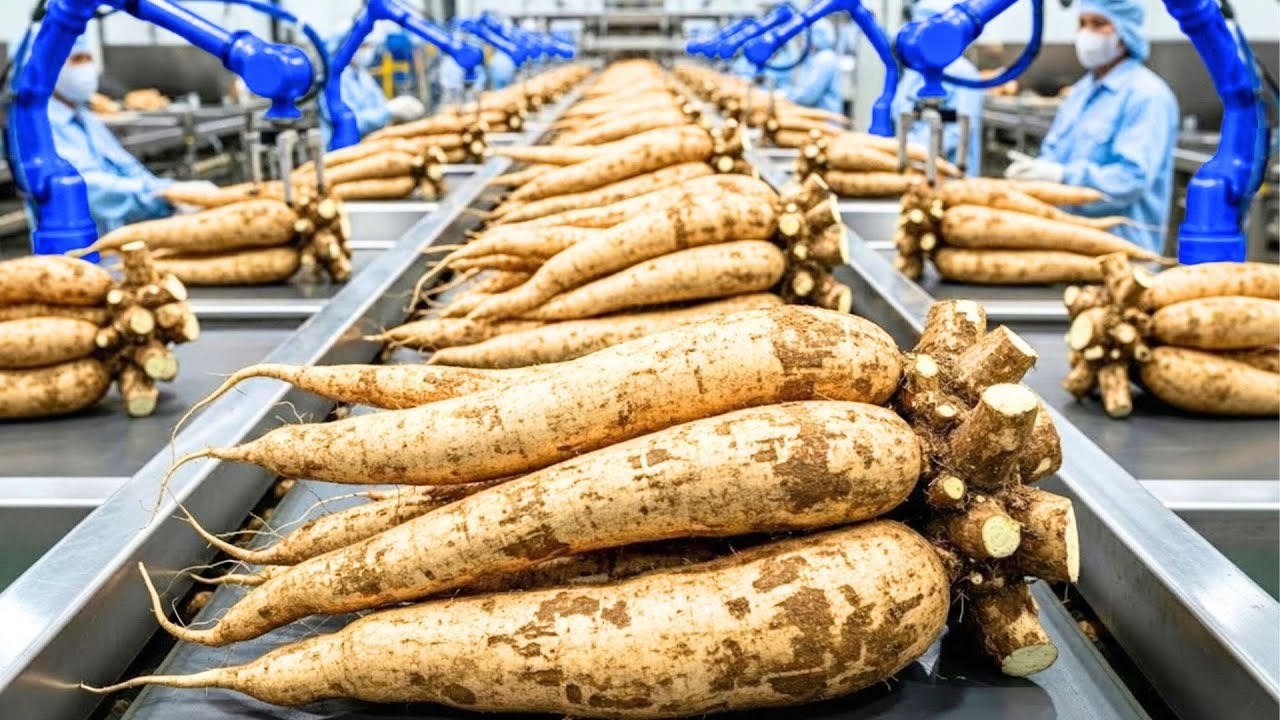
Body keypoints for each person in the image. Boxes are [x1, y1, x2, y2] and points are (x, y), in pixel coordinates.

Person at [1005, 0, 1178, 252]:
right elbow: (1052, 155)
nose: (1087, 33)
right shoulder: (1081, 92)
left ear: (1124, 30)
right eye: (1082, 23)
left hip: (1121, 254)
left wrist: (1062, 177)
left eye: (1099, 24)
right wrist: (1034, 176)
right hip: (1065, 250)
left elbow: (1130, 180)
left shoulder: (1147, 97)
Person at [34, 34, 211, 235]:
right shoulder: (35, 124)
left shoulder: (85, 117)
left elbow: (128, 168)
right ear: (49, 67)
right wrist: (163, 196)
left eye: (88, 58)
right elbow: (87, 189)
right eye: (76, 60)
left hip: (114, 247)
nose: (85, 68)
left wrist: (171, 191)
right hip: (72, 252)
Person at [892, 0, 985, 174]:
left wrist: (907, 149)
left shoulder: (964, 74)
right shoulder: (915, 70)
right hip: (910, 171)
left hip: (951, 176)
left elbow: (957, 134)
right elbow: (898, 111)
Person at [322, 26, 391, 144]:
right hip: (339, 150)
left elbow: (379, 103)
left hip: (367, 144)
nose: (367, 51)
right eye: (363, 46)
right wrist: (389, 111)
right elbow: (351, 121)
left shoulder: (362, 75)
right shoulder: (334, 78)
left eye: (369, 46)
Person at [785, 18, 842, 115]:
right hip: (813, 118)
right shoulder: (811, 58)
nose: (801, 40)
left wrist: (785, 95)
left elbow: (809, 95)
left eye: (803, 36)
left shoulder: (826, 58)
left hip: (826, 122)